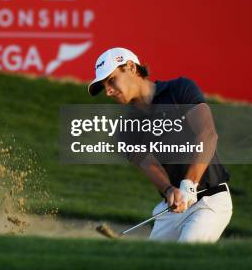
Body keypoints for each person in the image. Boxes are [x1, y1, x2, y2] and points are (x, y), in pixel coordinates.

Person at [88, 47, 232, 242]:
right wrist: (169, 190)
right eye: (104, 86)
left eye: (111, 80)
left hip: (210, 200)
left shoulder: (179, 90)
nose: (108, 91)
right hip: (173, 208)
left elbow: (207, 134)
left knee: (186, 255)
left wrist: (189, 183)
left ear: (131, 67)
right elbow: (149, 165)